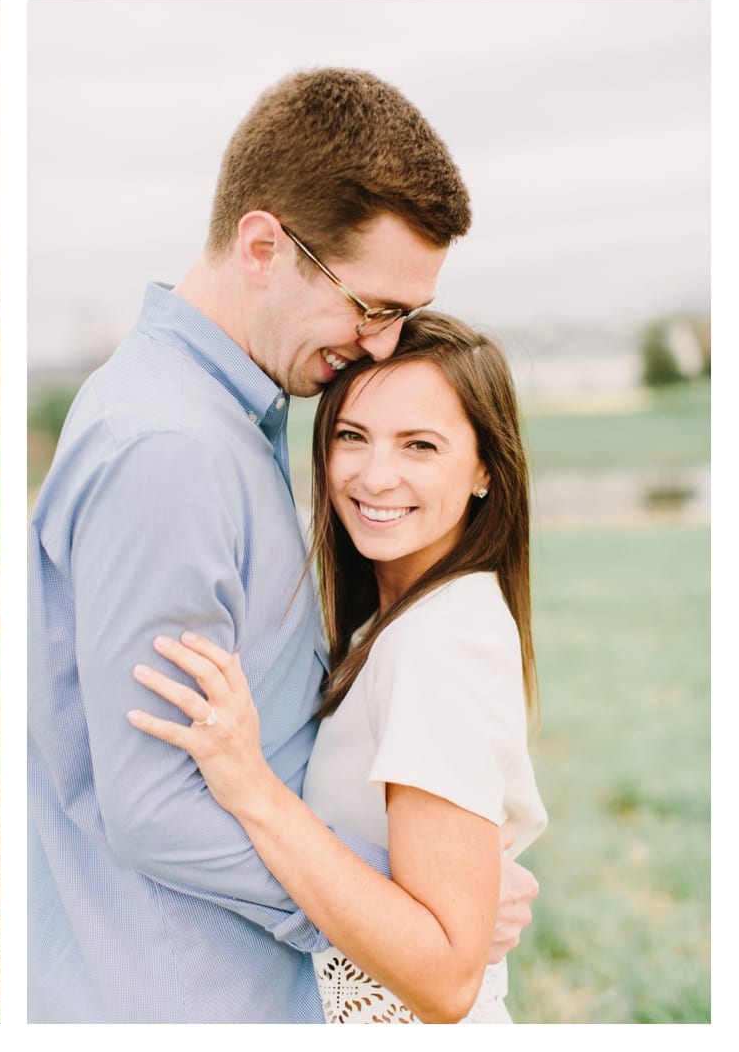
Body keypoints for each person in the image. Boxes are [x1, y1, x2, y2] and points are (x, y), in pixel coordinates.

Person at [27, 67, 537, 1022]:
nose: (383, 347)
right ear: (263, 245)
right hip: (183, 996)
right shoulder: (173, 446)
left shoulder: (232, 415)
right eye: (373, 307)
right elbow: (152, 804)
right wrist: (398, 905)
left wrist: (432, 889)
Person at [130, 312, 546, 1023]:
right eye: (352, 436)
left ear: (483, 466)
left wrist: (253, 788)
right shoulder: (392, 625)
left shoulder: (438, 644)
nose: (375, 475)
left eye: (420, 444)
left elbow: (446, 978)